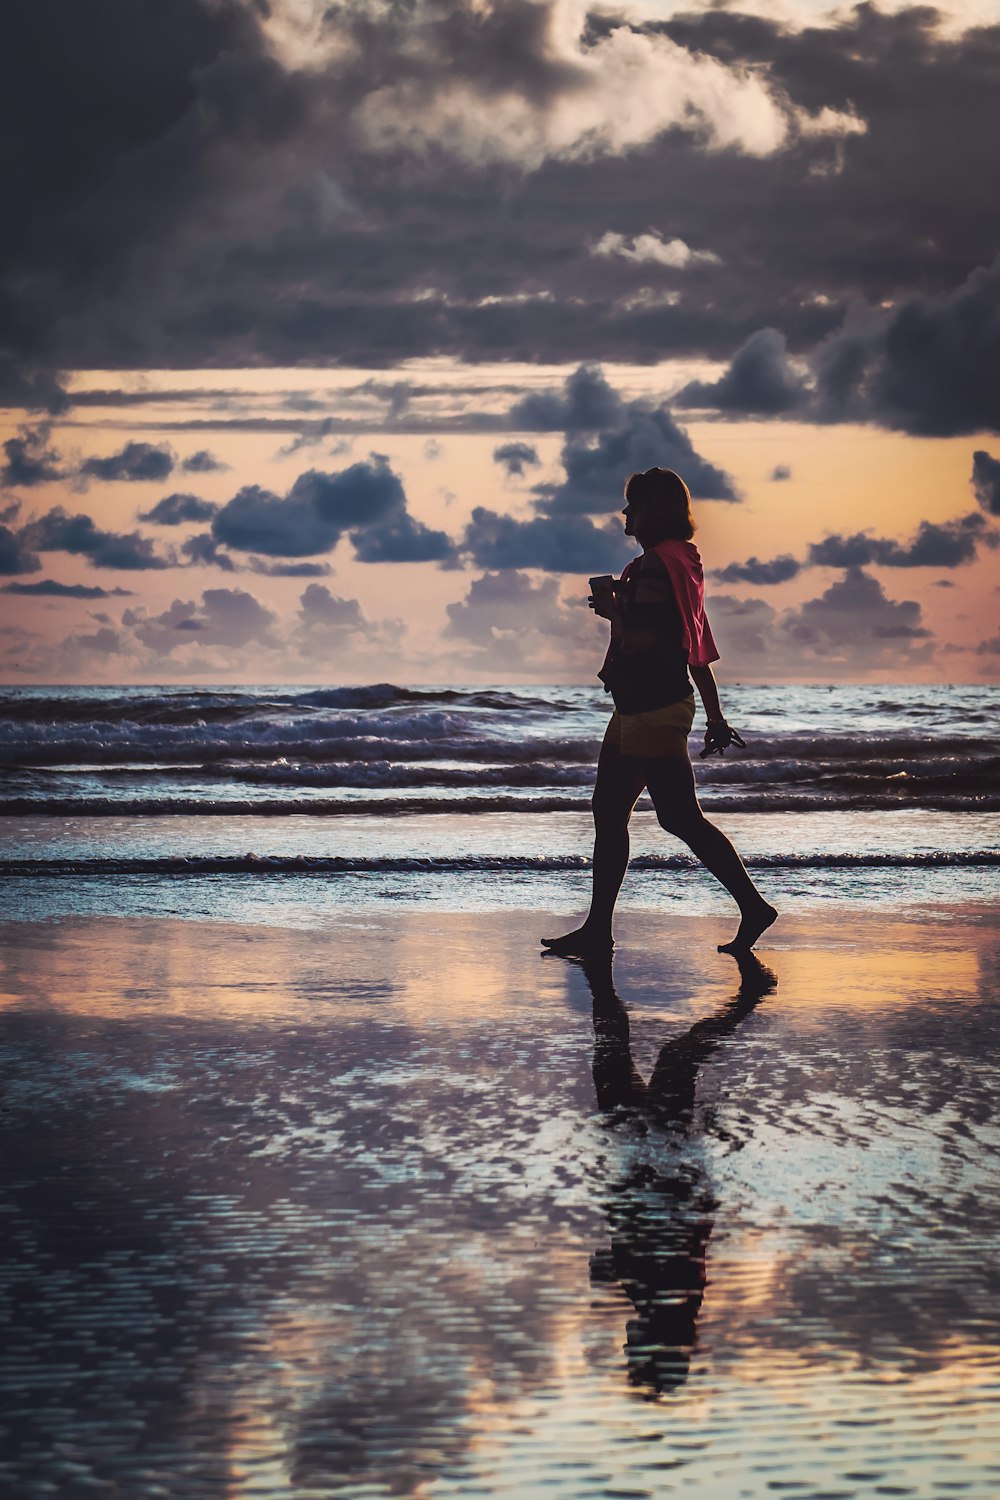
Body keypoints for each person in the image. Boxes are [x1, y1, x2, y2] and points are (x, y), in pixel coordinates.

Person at [542, 467, 777, 956]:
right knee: (619, 813)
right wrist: (713, 714)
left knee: (676, 818)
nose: (625, 513)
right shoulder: (679, 563)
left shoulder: (654, 566)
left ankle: (752, 907)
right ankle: (597, 930)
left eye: (632, 505)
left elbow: (648, 637)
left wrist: (612, 612)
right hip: (646, 708)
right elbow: (690, 641)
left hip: (652, 709)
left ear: (650, 510)